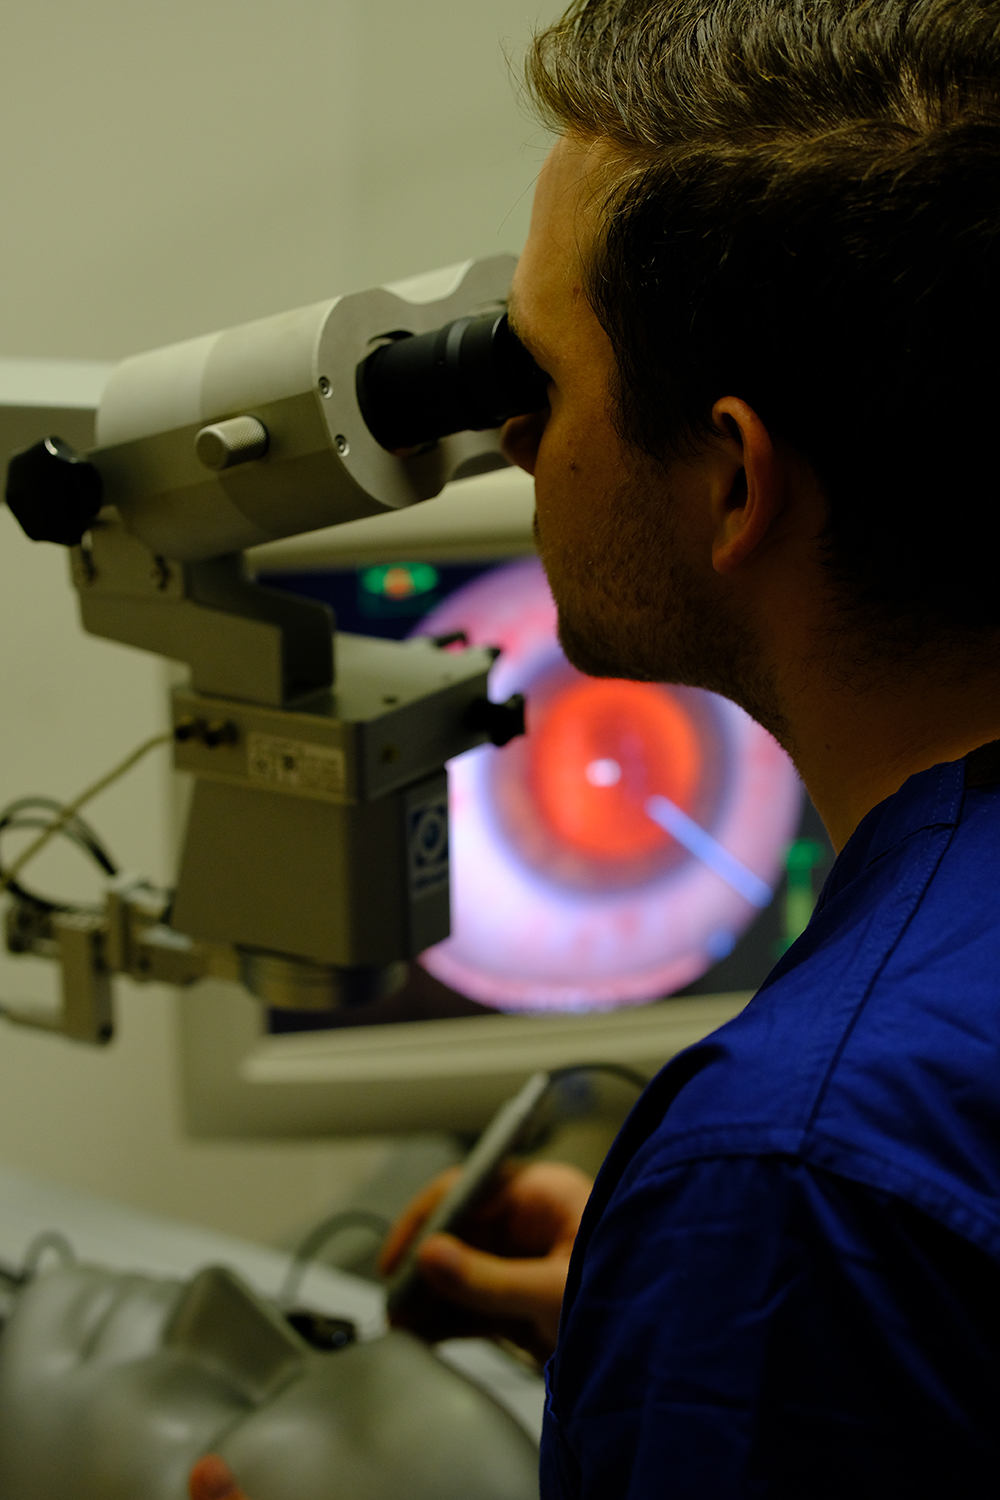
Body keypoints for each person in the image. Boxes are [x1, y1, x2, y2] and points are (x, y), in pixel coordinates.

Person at [191, 1, 1000, 1495]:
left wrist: (743, 1280)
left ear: (734, 482)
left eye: (541, 376)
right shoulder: (812, 1192)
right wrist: (686, 1349)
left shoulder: (793, 1172)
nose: (508, 436)